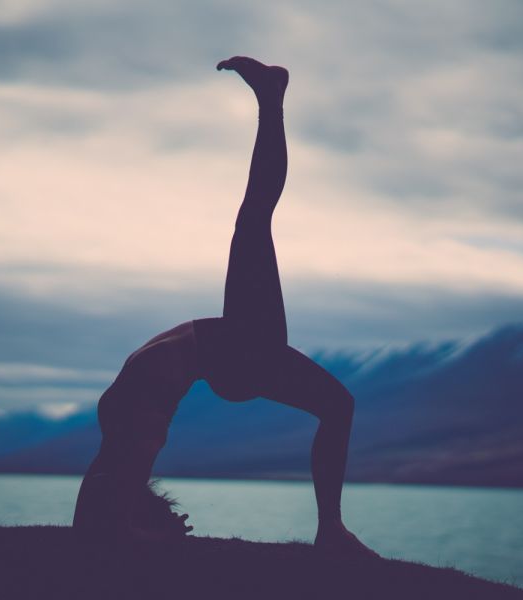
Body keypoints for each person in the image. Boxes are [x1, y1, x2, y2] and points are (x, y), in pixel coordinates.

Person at [73, 56, 378, 558]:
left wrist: (141, 529)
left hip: (229, 353)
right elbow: (99, 526)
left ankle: (331, 530)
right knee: (254, 218)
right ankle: (271, 99)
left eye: (168, 515)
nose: (176, 515)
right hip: (235, 352)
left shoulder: (120, 455)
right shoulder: (123, 444)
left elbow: (93, 524)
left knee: (337, 404)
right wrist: (153, 534)